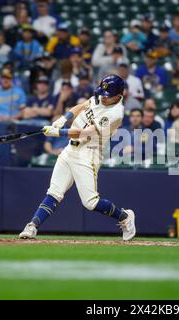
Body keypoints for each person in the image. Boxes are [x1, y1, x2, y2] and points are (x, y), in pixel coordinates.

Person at [19, 75, 136, 241]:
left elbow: (85, 132)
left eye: (107, 95)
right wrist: (63, 119)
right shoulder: (100, 96)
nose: (103, 96)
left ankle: (124, 216)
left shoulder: (115, 113)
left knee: (90, 202)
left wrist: (58, 132)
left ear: (118, 96)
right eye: (102, 93)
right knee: (54, 192)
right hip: (70, 151)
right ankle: (32, 226)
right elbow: (81, 106)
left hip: (88, 153)